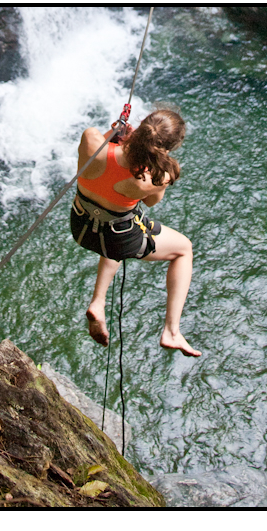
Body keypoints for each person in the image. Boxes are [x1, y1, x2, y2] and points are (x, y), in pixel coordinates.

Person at [70, 109, 200, 357]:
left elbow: (106, 151)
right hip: (116, 238)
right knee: (183, 249)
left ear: (140, 127)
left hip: (80, 226)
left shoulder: (91, 138)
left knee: (114, 230)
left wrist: (118, 136)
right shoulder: (156, 176)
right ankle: (172, 331)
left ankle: (98, 303)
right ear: (166, 149)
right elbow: (151, 202)